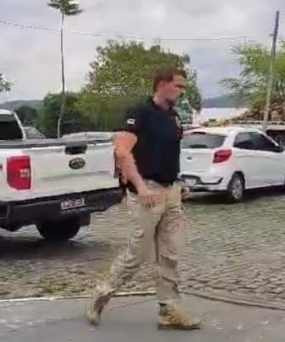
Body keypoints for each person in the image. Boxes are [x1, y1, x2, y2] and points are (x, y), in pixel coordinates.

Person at [85, 67, 201, 330]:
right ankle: (101, 295)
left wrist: (178, 184)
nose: (182, 92)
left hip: (170, 191)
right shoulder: (139, 113)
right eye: (178, 86)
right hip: (146, 191)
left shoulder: (174, 117)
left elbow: (171, 153)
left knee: (170, 253)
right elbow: (122, 152)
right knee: (138, 253)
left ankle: (168, 309)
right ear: (162, 84)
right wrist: (141, 187)